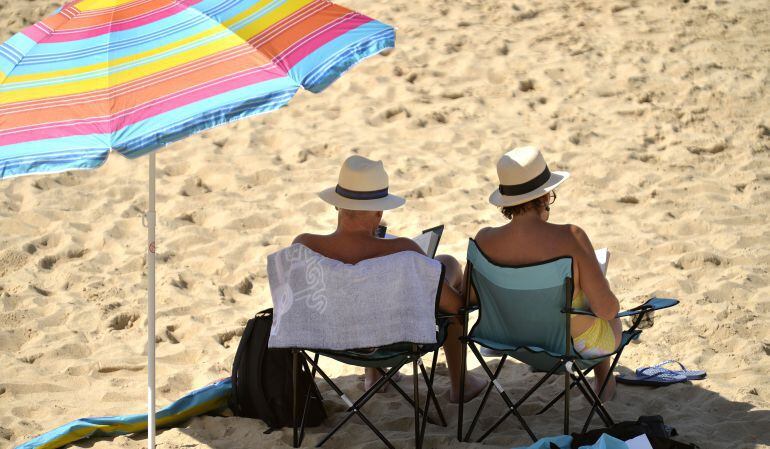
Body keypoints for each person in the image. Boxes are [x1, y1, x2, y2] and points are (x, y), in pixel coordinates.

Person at [293, 155, 487, 403]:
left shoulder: (303, 246)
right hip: (392, 341)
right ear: (378, 212)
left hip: (330, 341)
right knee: (447, 263)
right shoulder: (404, 250)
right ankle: (462, 383)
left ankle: (373, 375)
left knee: (363, 288)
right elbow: (455, 308)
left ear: (338, 205)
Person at [469, 146, 621, 401]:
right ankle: (604, 382)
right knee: (600, 307)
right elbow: (607, 310)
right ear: (546, 195)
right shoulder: (571, 237)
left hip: (507, 341)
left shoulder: (484, 240)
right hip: (566, 345)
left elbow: (471, 298)